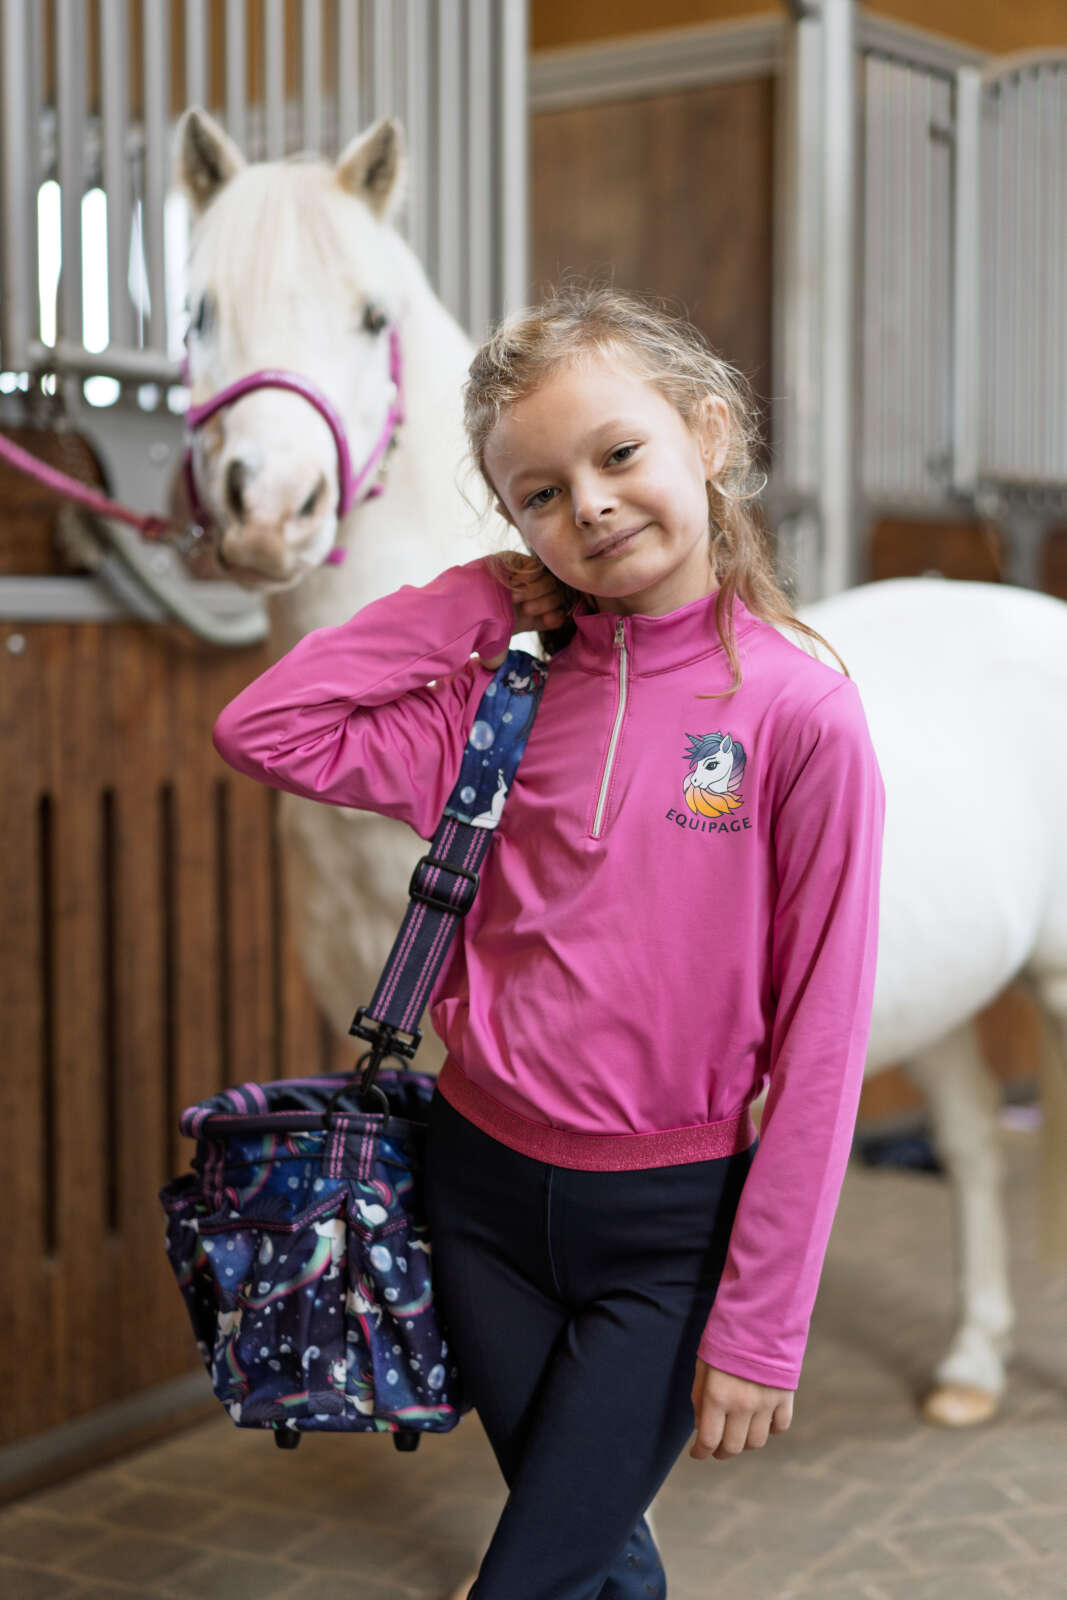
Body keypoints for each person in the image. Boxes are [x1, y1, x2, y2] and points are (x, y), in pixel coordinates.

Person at [211, 281, 886, 1599]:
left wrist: (763, 1318)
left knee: (527, 1577)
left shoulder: (802, 717)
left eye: (618, 454)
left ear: (707, 432)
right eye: (536, 494)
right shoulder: (502, 701)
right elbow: (267, 729)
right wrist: (475, 600)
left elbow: (824, 1042)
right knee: (592, 1564)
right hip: (482, 1204)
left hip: (670, 1234)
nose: (587, 504)